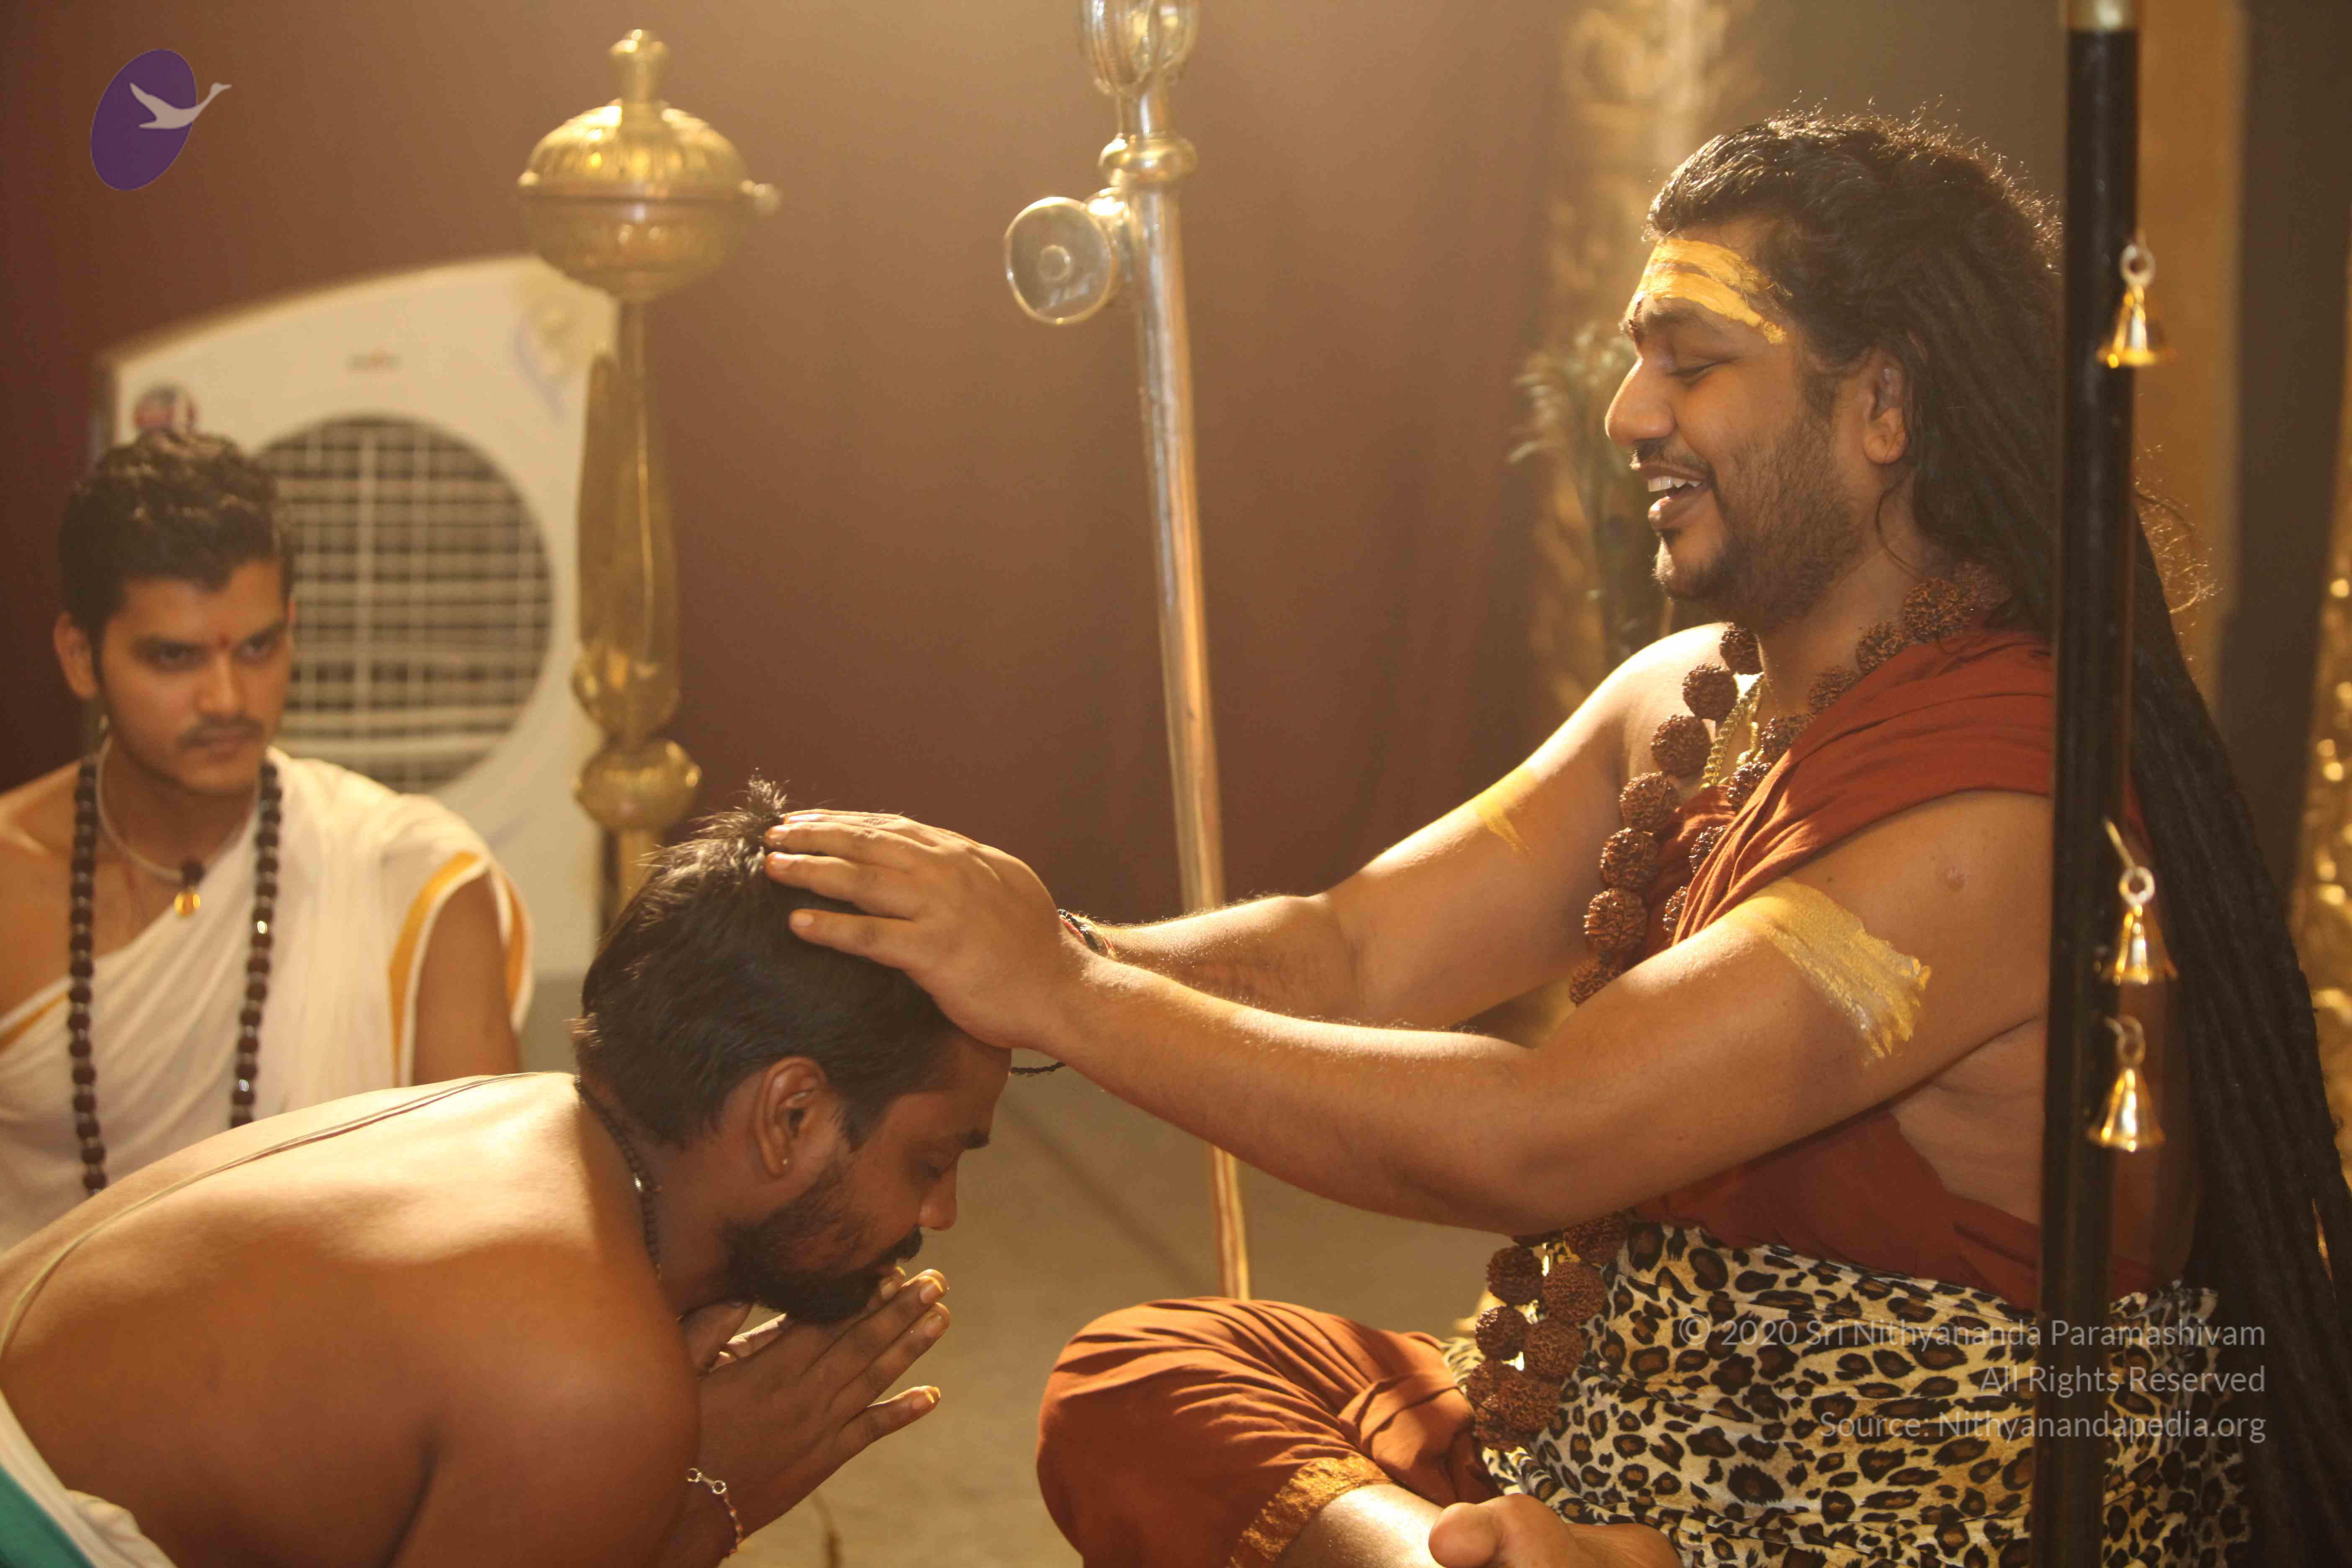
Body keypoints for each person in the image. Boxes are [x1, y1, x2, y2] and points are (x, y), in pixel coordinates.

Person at [763, 115, 2352, 1566]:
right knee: (1151, 1374)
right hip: (1617, 1447)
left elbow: (1540, 1137)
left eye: (1690, 363)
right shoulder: (1685, 696)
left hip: (1902, 1522)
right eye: (1634, 361)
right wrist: (999, 969)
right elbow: (1351, 951)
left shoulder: (1997, 814)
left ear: (1883, 405)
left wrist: (1063, 993)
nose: (1627, 414)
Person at [0, 782, 1000, 1566]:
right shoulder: (586, 1380)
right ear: (791, 1116)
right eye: (931, 1160)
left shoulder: (522, 1118)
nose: (941, 1212)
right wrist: (697, 1506)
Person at [0, 428, 529, 1248]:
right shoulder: (12, 879)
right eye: (174, 657)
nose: (227, 698)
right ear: (80, 656)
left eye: (257, 648)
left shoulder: (412, 879)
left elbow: (487, 1232)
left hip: (348, 1331)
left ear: (292, 627)